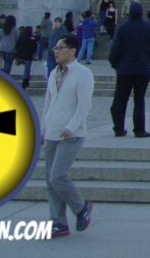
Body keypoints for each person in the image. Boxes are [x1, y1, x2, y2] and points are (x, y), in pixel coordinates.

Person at [43, 34, 94, 238]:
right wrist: (43, 127)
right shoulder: (54, 72)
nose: (56, 51)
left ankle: (81, 207)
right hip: (52, 132)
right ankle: (58, 223)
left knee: (58, 176)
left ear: (72, 50)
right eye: (55, 48)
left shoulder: (83, 74)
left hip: (71, 134)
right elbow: (48, 102)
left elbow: (84, 105)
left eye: (60, 47)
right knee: (50, 180)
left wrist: (71, 127)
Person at [108, 1, 150, 138]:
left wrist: (115, 64)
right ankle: (139, 129)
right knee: (139, 99)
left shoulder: (122, 28)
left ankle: (118, 128)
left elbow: (115, 50)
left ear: (129, 12)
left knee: (120, 99)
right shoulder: (149, 29)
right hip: (143, 69)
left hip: (124, 69)